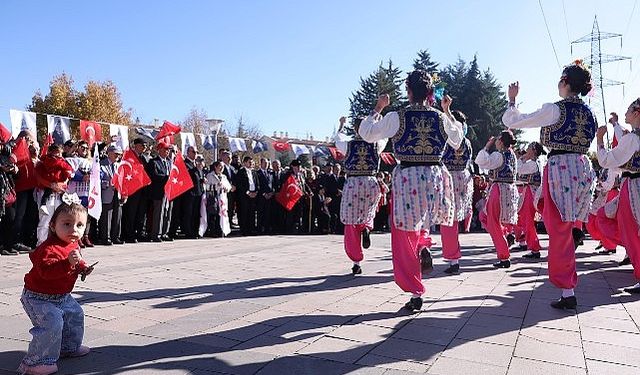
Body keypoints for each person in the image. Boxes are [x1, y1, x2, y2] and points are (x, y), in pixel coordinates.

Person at [359, 69, 463, 311]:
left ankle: (416, 292)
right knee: (424, 221)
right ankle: (424, 243)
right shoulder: (439, 117)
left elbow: (366, 134)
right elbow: (458, 140)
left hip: (408, 177)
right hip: (435, 176)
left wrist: (378, 108)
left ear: (408, 92)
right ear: (429, 93)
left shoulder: (398, 116)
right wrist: (446, 111)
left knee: (403, 233)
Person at [503, 61, 597, 309]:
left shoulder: (555, 110)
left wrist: (512, 101)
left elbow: (515, 121)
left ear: (565, 82)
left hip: (561, 170)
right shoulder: (590, 113)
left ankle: (567, 289)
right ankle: (568, 285)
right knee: (563, 228)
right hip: (582, 167)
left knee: (558, 230)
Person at [18, 196, 93, 375]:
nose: (73, 230)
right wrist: (68, 263)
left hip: (61, 295)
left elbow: (76, 259)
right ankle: (35, 363)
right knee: (52, 323)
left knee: (75, 314)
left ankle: (68, 347)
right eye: (67, 224)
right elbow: (47, 272)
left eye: (79, 225)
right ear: (53, 225)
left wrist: (83, 267)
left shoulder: (73, 244)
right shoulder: (47, 249)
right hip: (38, 297)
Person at [596, 98, 640, 293]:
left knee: (629, 229)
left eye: (629, 110)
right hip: (631, 185)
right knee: (609, 218)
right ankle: (632, 252)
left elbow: (608, 159)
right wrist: (615, 124)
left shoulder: (632, 139)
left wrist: (599, 140)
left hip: (633, 186)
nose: (626, 113)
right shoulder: (632, 137)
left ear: (637, 113)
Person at [334, 116, 386, 275]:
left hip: (353, 183)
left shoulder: (348, 145)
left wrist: (341, 126)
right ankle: (366, 228)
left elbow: (337, 139)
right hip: (370, 182)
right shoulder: (376, 144)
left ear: (355, 129)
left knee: (350, 222)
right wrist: (377, 124)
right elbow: (385, 136)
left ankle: (356, 261)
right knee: (368, 213)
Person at [475, 131, 519, 268]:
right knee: (486, 216)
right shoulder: (512, 155)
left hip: (498, 190)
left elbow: (481, 161)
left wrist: (487, 146)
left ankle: (504, 255)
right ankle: (505, 236)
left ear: (500, 141)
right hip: (509, 190)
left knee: (492, 221)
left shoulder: (498, 155)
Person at [440, 110, 474, 274]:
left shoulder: (447, 140)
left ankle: (453, 259)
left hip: (448, 178)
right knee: (453, 218)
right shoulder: (467, 142)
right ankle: (454, 258)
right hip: (463, 178)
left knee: (448, 221)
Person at [517, 142, 545, 259]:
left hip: (531, 193)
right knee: (525, 220)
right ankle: (532, 245)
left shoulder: (533, 164)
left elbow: (518, 170)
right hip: (531, 193)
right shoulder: (537, 163)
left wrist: (522, 158)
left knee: (527, 220)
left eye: (528, 148)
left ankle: (534, 248)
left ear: (533, 150)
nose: (526, 150)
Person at [67, 141, 94, 248]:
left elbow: (98, 173)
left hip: (87, 192)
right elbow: (67, 174)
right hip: (74, 193)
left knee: (87, 216)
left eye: (86, 148)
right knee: (76, 216)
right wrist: (80, 178)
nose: (84, 149)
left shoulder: (91, 161)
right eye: (82, 147)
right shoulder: (71, 159)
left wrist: (93, 177)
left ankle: (85, 236)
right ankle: (76, 238)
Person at [36, 145, 73, 216]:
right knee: (46, 219)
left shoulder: (63, 162)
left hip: (58, 190)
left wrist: (63, 183)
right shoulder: (43, 163)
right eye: (57, 152)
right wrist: (51, 185)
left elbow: (67, 174)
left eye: (60, 153)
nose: (59, 155)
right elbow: (40, 178)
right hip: (47, 188)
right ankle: (43, 205)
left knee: (58, 216)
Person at [98, 145, 124, 245]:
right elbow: (97, 180)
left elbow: (123, 180)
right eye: (116, 153)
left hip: (118, 194)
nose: (118, 156)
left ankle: (115, 236)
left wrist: (124, 193)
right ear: (109, 153)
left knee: (117, 215)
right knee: (106, 217)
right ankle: (106, 237)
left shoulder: (119, 165)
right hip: (106, 193)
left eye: (119, 154)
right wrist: (107, 184)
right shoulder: (101, 164)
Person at [148, 142, 173, 242]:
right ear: (159, 150)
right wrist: (167, 178)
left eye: (168, 150)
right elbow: (153, 176)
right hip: (159, 192)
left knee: (167, 212)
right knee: (159, 213)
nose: (167, 152)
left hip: (169, 191)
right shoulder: (154, 162)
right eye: (165, 149)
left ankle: (164, 232)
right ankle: (156, 234)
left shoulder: (169, 162)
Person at [205, 161, 232, 237]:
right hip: (213, 197)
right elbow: (206, 186)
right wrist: (216, 186)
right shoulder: (210, 175)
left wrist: (226, 188)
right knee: (213, 214)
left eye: (223, 167)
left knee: (221, 215)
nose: (221, 168)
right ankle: (212, 231)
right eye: (220, 166)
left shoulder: (224, 176)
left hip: (222, 198)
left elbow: (229, 186)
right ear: (215, 167)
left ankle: (220, 230)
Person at [234, 156, 259, 236]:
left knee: (252, 213)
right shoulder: (241, 172)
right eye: (249, 162)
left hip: (253, 194)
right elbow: (240, 184)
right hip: (244, 195)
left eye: (251, 162)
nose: (251, 164)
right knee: (244, 212)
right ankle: (244, 230)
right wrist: (247, 192)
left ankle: (251, 229)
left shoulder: (254, 172)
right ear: (244, 163)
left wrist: (256, 192)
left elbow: (257, 183)